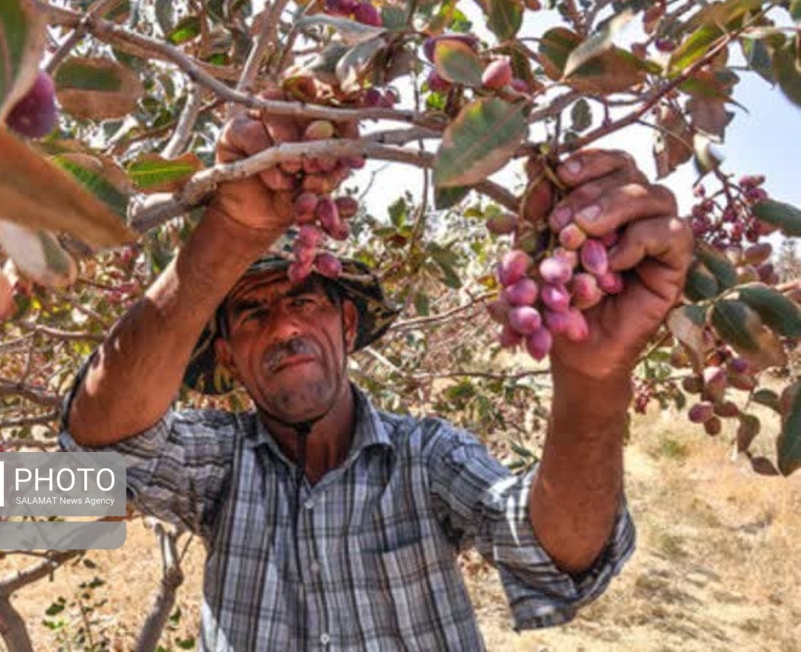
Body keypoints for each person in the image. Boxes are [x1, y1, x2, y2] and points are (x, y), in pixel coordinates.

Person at [58, 107, 694, 651]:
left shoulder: (427, 456)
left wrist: (593, 380)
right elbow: (100, 457)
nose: (282, 328)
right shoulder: (222, 464)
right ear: (226, 356)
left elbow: (556, 559)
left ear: (347, 321)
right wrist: (230, 233)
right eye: (253, 312)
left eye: (305, 300)